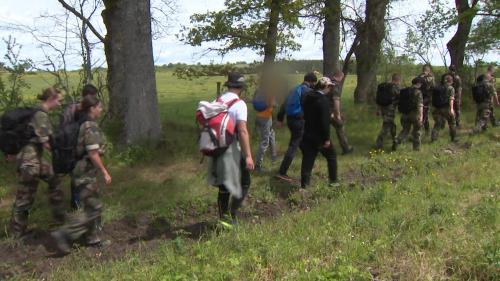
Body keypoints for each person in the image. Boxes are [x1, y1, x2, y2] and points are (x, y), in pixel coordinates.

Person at [52, 95, 112, 254]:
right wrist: (104, 171)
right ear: (92, 109)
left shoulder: (82, 123)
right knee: (95, 207)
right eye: (99, 107)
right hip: (85, 173)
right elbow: (93, 154)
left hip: (82, 171)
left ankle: (92, 238)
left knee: (90, 204)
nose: (101, 109)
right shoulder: (90, 126)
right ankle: (64, 233)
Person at [10, 87, 65, 238]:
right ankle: (16, 235)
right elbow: (47, 142)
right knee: (25, 196)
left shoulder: (37, 112)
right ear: (51, 99)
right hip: (30, 161)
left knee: (54, 179)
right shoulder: (40, 115)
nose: (60, 104)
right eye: (59, 101)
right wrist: (63, 151)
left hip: (35, 158)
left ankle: (59, 219)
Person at [207, 72, 254, 224]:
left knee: (223, 186)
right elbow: (242, 131)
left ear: (229, 85)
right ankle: (232, 214)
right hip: (233, 148)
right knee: (245, 182)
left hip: (216, 146)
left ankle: (223, 219)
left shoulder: (216, 100)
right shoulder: (239, 104)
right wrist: (248, 156)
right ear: (241, 88)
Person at [59, 84, 99, 210]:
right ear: (87, 95)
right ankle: (78, 203)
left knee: (78, 176)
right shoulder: (75, 109)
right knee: (79, 176)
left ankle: (77, 202)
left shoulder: (72, 108)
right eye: (93, 96)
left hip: (77, 147)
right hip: (76, 147)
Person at [275, 72, 317, 179]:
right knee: (294, 145)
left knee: (303, 143)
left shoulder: (294, 89)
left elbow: (284, 104)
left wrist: (280, 118)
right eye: (314, 83)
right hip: (300, 121)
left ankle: (309, 165)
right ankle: (282, 172)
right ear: (312, 82)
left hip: (290, 120)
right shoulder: (307, 91)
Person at [300, 77, 337, 188]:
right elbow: (324, 122)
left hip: (307, 133)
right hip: (319, 136)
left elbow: (305, 114)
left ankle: (304, 186)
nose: (330, 89)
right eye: (329, 86)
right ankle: (333, 182)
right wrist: (326, 139)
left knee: (308, 160)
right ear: (325, 87)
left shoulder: (308, 97)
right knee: (331, 156)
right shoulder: (323, 101)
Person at [253, 77, 277, 172]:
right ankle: (257, 166)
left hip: (259, 116)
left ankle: (273, 156)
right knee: (265, 141)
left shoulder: (258, 90)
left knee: (271, 134)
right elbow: (273, 104)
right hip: (265, 118)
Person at [328, 71, 353, 155]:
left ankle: (316, 149)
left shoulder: (327, 83)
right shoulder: (335, 85)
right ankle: (346, 148)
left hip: (322, 110)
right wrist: (338, 115)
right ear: (340, 77)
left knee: (322, 130)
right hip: (331, 112)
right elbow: (336, 101)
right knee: (340, 128)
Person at [395, 77, 424, 151]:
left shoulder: (403, 91)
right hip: (414, 114)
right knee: (416, 132)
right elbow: (420, 105)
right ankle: (416, 149)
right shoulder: (418, 92)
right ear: (418, 84)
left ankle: (397, 140)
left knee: (405, 130)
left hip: (404, 114)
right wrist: (421, 116)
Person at [374, 73, 401, 151]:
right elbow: (399, 97)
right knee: (386, 126)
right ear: (398, 80)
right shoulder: (395, 88)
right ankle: (378, 143)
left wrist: (378, 109)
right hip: (390, 109)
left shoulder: (384, 86)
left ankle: (394, 139)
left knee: (391, 125)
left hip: (383, 108)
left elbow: (378, 98)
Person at [431, 75, 458, 143]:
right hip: (447, 108)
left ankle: (433, 139)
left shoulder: (438, 87)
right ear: (451, 81)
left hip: (437, 109)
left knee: (437, 124)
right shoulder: (451, 88)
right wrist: (452, 109)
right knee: (452, 123)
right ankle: (453, 138)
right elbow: (451, 99)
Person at [418, 65, 435, 134]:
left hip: (420, 98)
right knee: (424, 114)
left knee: (424, 114)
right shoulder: (430, 78)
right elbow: (433, 87)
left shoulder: (419, 77)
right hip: (425, 98)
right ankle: (420, 131)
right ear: (429, 70)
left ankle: (426, 130)